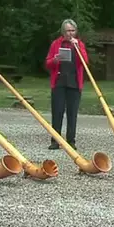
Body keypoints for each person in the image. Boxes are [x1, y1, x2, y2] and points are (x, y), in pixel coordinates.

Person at [44, 19, 88, 150]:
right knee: (57, 112)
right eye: (68, 31)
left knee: (72, 112)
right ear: (63, 32)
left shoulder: (79, 44)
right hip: (59, 82)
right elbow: (48, 63)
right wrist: (55, 59)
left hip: (74, 83)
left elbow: (85, 62)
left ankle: (71, 141)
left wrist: (78, 47)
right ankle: (55, 140)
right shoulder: (56, 44)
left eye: (73, 31)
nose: (70, 33)